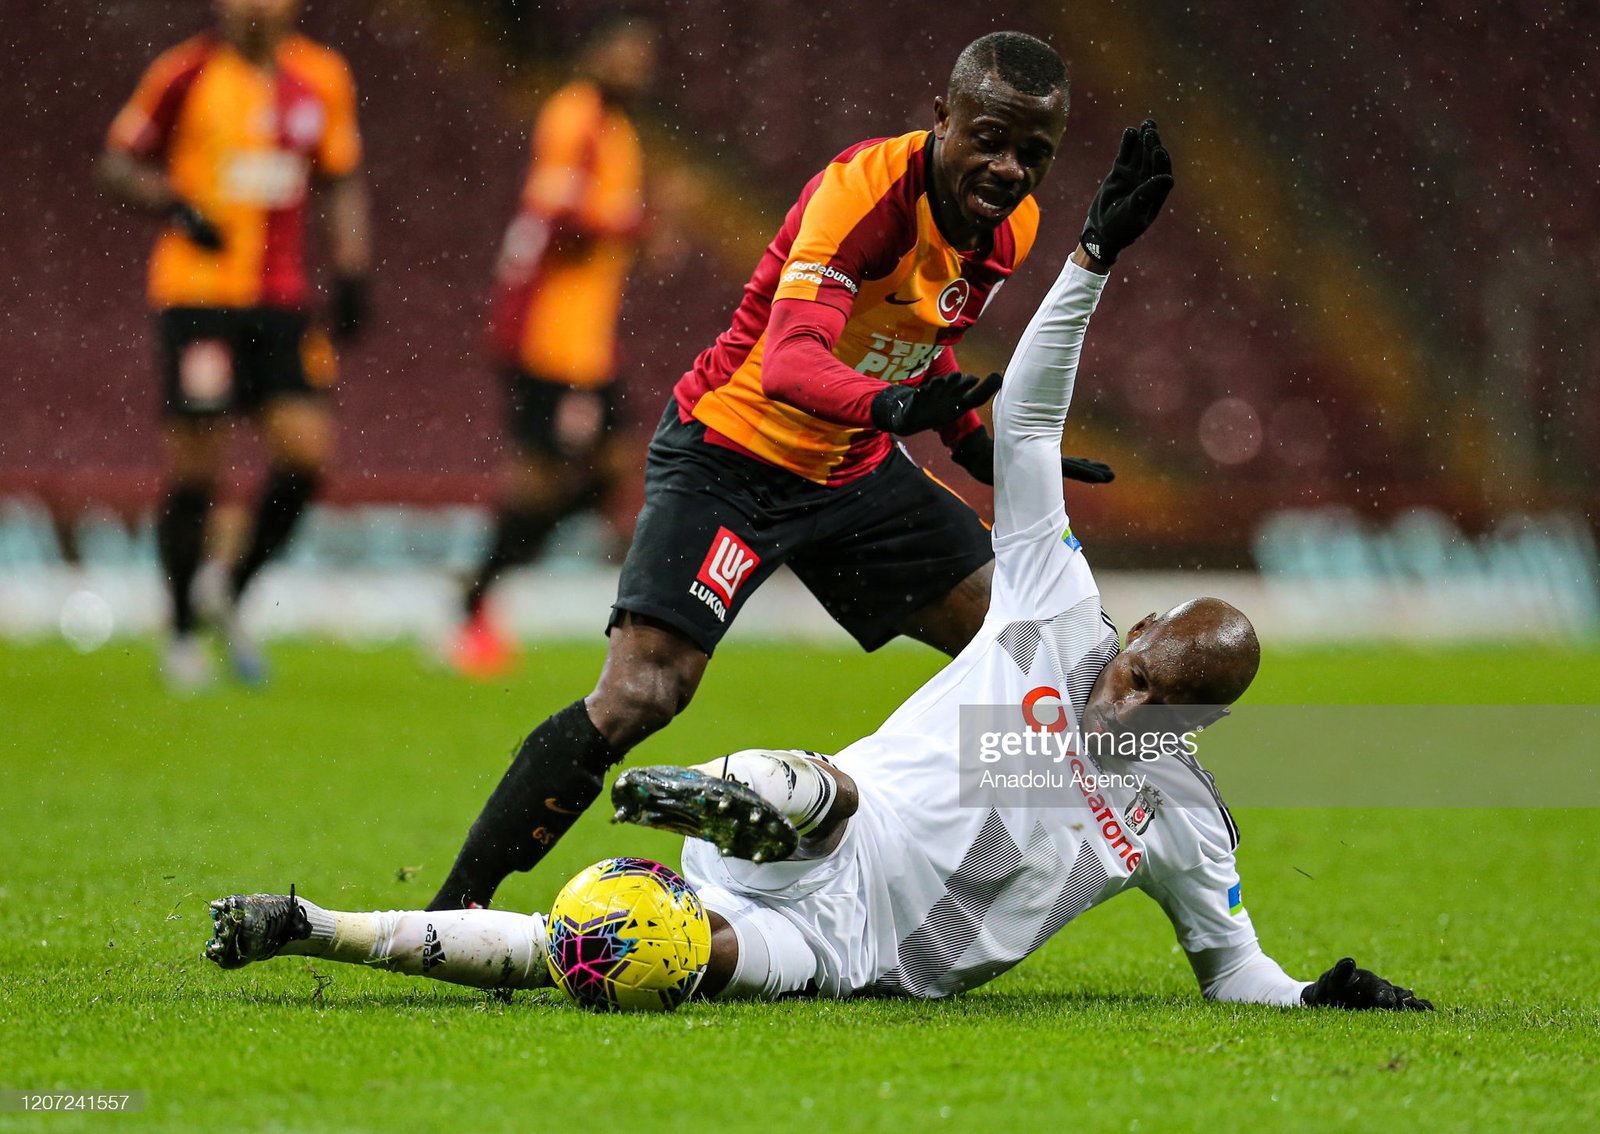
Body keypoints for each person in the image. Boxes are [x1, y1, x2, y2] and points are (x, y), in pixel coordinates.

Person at [202, 123, 1432, 1011]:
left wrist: (1318, 996)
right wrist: (1094, 262)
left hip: (851, 926)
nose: (1138, 701)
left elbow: (1232, 967)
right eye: (1145, 668)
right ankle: (636, 831)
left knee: (639, 965)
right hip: (743, 458)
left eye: (1172, 710)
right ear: (1141, 626)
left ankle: (336, 929)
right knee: (659, 704)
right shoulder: (1056, 599)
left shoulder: (1175, 801)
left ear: (1197, 727)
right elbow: (991, 414)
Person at [425, 30, 1116, 913]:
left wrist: (972, 443)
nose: (1011, 168)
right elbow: (791, 363)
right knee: (643, 691)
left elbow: (920, 335)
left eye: (1035, 153)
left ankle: (1161, 916)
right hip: (733, 455)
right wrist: (890, 409)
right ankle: (450, 910)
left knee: (1058, 664)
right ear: (942, 119)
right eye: (990, 138)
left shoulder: (1009, 226)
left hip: (854, 473)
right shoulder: (862, 194)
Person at [99, 0, 371, 690]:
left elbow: (340, 177)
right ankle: (183, 632)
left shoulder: (322, 76)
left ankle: (230, 587)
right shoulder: (185, 73)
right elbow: (117, 162)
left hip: (281, 302)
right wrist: (175, 205)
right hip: (197, 299)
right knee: (197, 472)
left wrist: (352, 268)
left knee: (306, 458)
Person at [451, 14, 662, 679]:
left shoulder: (621, 133)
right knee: (544, 486)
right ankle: (474, 602)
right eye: (624, 53)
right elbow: (556, 220)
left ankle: (480, 587)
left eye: (644, 57)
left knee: (608, 474)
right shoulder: (574, 117)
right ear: (593, 53)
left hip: (588, 343)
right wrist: (633, 225)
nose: (635, 68)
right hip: (548, 336)